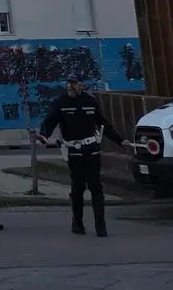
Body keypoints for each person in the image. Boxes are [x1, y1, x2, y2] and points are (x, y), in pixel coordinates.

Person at [40, 75, 124, 237]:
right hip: (74, 152)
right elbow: (50, 121)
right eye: (68, 83)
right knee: (77, 188)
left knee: (95, 187)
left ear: (81, 85)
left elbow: (103, 124)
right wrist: (44, 135)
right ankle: (77, 223)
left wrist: (121, 141)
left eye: (74, 83)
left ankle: (101, 226)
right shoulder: (61, 102)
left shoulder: (90, 101)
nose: (70, 86)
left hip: (91, 150)